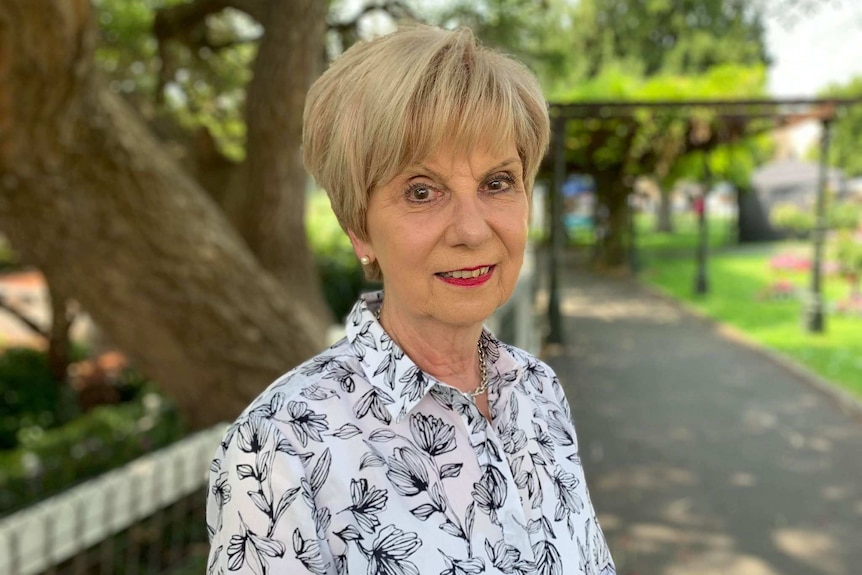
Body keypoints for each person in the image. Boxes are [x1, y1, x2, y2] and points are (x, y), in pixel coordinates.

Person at [206, 25, 616, 575]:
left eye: (498, 183)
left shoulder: (539, 392)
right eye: (422, 191)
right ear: (360, 229)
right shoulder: (278, 450)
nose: (472, 230)